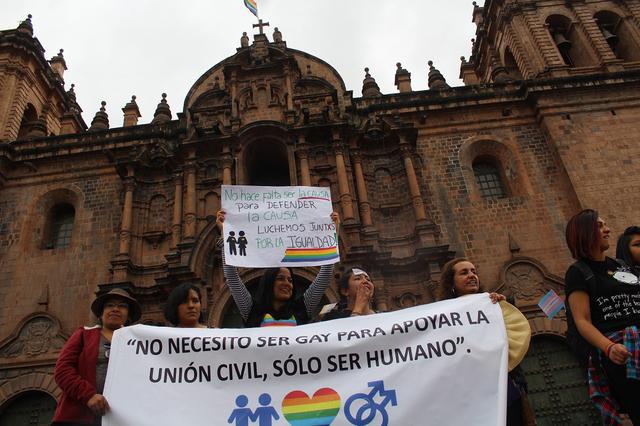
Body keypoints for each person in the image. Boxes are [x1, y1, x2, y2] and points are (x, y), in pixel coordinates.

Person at [438, 258, 534, 426]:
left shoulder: (493, 304)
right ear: (451, 283)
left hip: (505, 389)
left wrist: (502, 308)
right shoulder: (442, 316)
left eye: (474, 271)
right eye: (464, 273)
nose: (471, 275)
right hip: (471, 394)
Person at [565, 210, 640, 424]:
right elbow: (582, 320)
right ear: (583, 232)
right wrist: (609, 347)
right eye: (599, 226)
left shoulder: (620, 266)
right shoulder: (578, 272)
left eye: (606, 224)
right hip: (623, 351)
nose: (607, 229)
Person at [216, 210, 339, 328]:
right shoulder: (252, 311)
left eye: (290, 280)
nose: (287, 284)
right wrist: (225, 235)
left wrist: (333, 236)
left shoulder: (302, 308)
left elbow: (324, 278)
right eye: (281, 278)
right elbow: (232, 278)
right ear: (269, 282)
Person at [52, 288, 141, 425]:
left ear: (128, 316)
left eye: (122, 306)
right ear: (101, 314)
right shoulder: (84, 335)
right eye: (110, 305)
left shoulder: (138, 342)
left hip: (120, 418)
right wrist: (88, 395)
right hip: (80, 416)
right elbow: (62, 370)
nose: (115, 309)